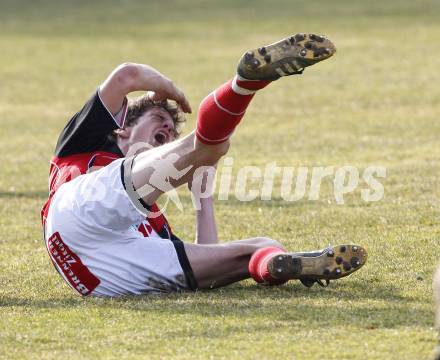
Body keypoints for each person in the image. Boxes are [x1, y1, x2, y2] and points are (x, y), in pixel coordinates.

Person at [41, 33, 368, 297]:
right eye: (159, 120)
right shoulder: (86, 144)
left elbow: (206, 259)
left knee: (262, 245)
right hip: (75, 214)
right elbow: (127, 75)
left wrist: (203, 201)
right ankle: (245, 82)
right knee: (208, 147)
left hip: (108, 278)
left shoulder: (154, 220)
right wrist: (168, 91)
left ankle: (274, 264)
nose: (166, 132)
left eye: (169, 132)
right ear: (123, 126)